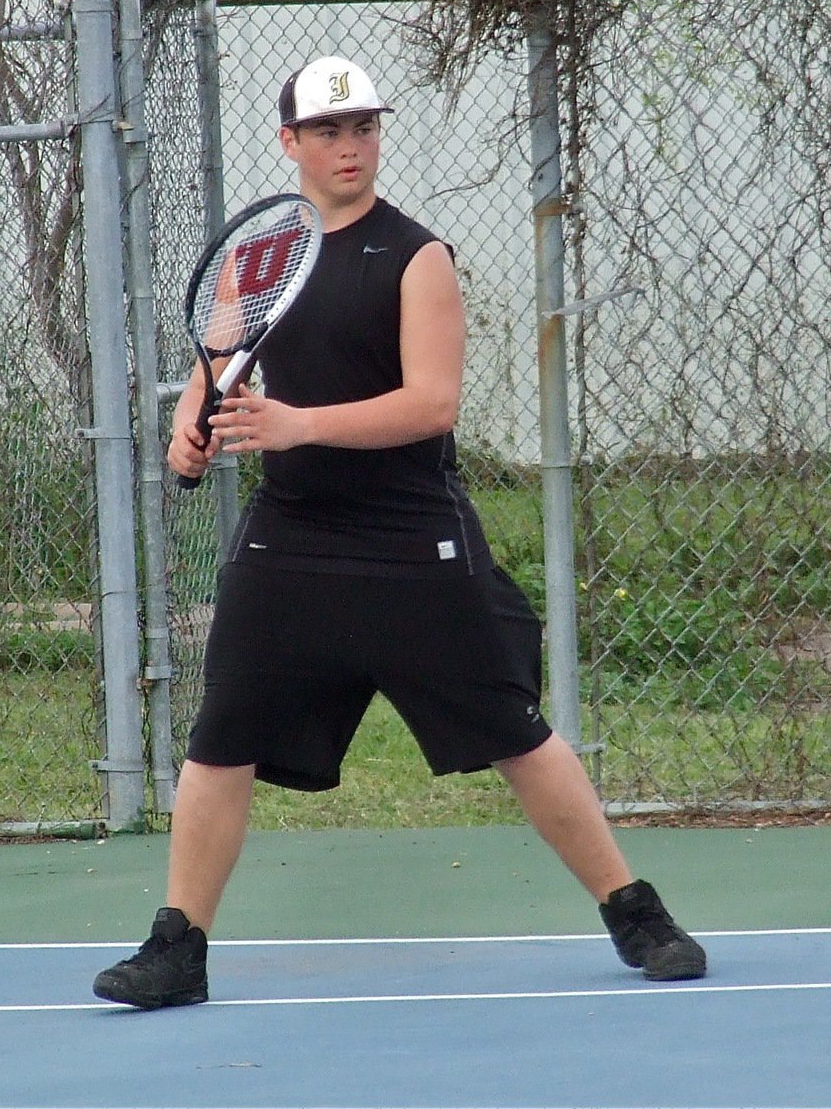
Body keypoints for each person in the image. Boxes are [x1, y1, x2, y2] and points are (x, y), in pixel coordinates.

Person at [93, 57, 706, 1010]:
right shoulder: (259, 260)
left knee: (513, 730)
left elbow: (432, 403)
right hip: (291, 536)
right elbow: (219, 371)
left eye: (364, 128)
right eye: (328, 131)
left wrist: (298, 424)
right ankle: (177, 950)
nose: (350, 147)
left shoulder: (418, 257)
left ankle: (637, 914)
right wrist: (190, 426)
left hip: (412, 539)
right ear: (290, 142)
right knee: (220, 736)